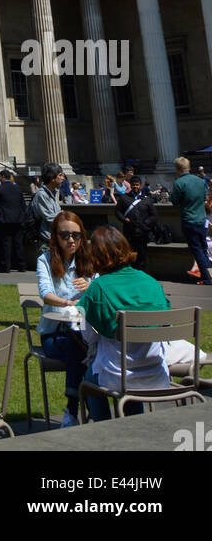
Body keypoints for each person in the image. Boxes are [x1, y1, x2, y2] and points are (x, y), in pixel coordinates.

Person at [77, 225, 172, 419]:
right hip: (156, 372)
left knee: (88, 380)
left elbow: (88, 336)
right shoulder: (152, 283)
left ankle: (102, 428)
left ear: (94, 255)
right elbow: (166, 327)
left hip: (116, 375)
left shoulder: (98, 288)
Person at [37, 211, 95, 427]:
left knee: (85, 345)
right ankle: (75, 408)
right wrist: (70, 303)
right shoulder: (44, 260)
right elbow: (46, 293)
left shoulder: (89, 260)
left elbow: (100, 292)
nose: (71, 240)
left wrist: (91, 288)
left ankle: (82, 408)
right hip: (55, 334)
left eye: (76, 235)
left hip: (86, 332)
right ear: (55, 237)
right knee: (77, 347)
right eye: (65, 235)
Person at [171, 156, 212, 285]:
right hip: (201, 219)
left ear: (177, 169)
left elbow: (174, 201)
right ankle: (210, 274)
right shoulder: (200, 181)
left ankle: (207, 278)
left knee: (197, 250)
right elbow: (204, 198)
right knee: (204, 249)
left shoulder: (179, 183)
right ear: (188, 167)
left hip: (189, 220)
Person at [115, 173, 157, 272]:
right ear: (130, 185)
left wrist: (145, 223)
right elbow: (117, 212)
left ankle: (142, 275)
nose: (135, 187)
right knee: (130, 255)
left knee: (142, 256)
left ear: (140, 186)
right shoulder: (124, 198)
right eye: (133, 184)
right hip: (129, 232)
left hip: (142, 233)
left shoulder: (147, 200)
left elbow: (154, 215)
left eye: (137, 184)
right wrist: (124, 220)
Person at [0, 169, 26, 273]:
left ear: (2, 177)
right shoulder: (17, 188)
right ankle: (21, 265)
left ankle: (6, 266)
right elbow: (23, 204)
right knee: (18, 243)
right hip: (17, 219)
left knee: (6, 244)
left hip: (5, 220)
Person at [31, 163, 63, 253]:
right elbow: (51, 218)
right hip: (46, 243)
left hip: (54, 240)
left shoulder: (53, 193)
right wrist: (63, 215)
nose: (63, 178)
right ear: (52, 178)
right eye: (60, 175)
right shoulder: (42, 195)